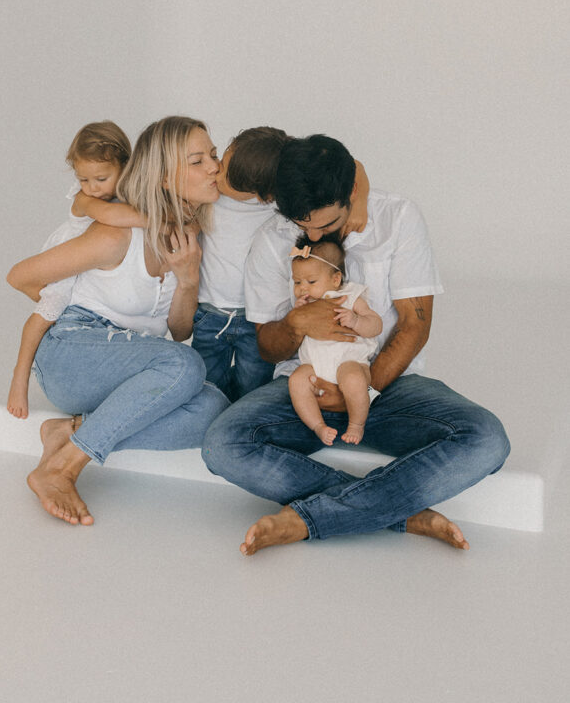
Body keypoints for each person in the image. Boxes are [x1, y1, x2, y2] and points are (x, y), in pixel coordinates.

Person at [202, 134, 510, 554]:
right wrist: (294, 324)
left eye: (324, 225)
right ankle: (396, 511)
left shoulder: (397, 217)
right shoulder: (272, 240)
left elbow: (415, 325)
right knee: (222, 445)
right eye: (301, 223)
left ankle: (311, 519)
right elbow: (268, 347)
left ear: (351, 193)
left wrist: (361, 390)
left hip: (389, 385)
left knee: (487, 439)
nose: (310, 233)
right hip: (306, 391)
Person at [6, 116, 228, 526]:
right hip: (72, 356)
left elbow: (180, 332)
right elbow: (20, 276)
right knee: (184, 364)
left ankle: (70, 431)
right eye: (198, 161)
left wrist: (188, 278)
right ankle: (63, 468)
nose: (214, 167)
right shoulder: (115, 234)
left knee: (214, 409)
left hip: (131, 370)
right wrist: (58, 302)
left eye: (213, 155)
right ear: (163, 177)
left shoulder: (192, 235)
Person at [193, 127, 371, 400]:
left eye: (227, 176)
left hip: (255, 318)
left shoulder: (284, 202)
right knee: (205, 381)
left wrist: (359, 204)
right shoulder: (210, 197)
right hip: (209, 311)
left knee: (252, 383)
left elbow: (351, 166)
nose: (216, 172)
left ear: (266, 195)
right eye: (222, 160)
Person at [7, 121, 143, 419]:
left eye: (101, 178)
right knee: (46, 313)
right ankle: (19, 378)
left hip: (90, 264)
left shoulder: (127, 193)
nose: (92, 187)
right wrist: (161, 218)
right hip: (69, 259)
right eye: (84, 179)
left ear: (125, 166)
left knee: (59, 309)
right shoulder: (87, 199)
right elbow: (110, 215)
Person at [288, 238, 382, 445]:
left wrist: (356, 320)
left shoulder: (350, 296)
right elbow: (293, 332)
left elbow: (376, 325)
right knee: (296, 380)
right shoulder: (304, 305)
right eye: (297, 282)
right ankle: (318, 426)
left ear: (336, 279)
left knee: (353, 380)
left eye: (311, 282)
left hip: (349, 362)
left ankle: (356, 424)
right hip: (314, 367)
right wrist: (298, 314)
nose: (303, 288)